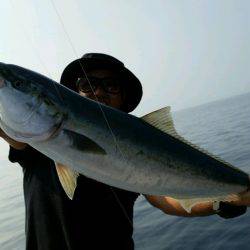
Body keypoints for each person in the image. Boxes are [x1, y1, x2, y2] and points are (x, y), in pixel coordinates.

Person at [0, 53, 250, 250]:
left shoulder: (141, 140)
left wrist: (220, 202)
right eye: (88, 84)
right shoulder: (33, 143)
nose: (98, 91)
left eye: (110, 86)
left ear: (123, 99)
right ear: (74, 93)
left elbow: (165, 200)